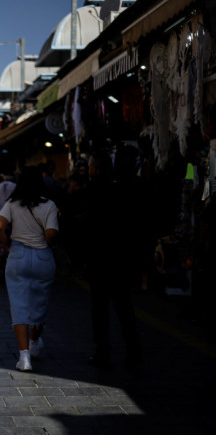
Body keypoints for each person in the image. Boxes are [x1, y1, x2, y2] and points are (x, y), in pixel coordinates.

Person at [0, 166, 58, 372]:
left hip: (18, 255)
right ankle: (34, 342)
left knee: (19, 306)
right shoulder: (49, 205)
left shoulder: (12, 203)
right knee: (39, 304)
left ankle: (24, 357)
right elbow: (51, 235)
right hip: (42, 256)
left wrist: (8, 244)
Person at [80, 152, 141, 370]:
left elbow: (87, 225)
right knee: (124, 307)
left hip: (99, 258)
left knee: (100, 310)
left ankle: (102, 352)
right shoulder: (123, 188)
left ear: (94, 168)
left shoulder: (92, 190)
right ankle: (133, 353)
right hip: (121, 258)